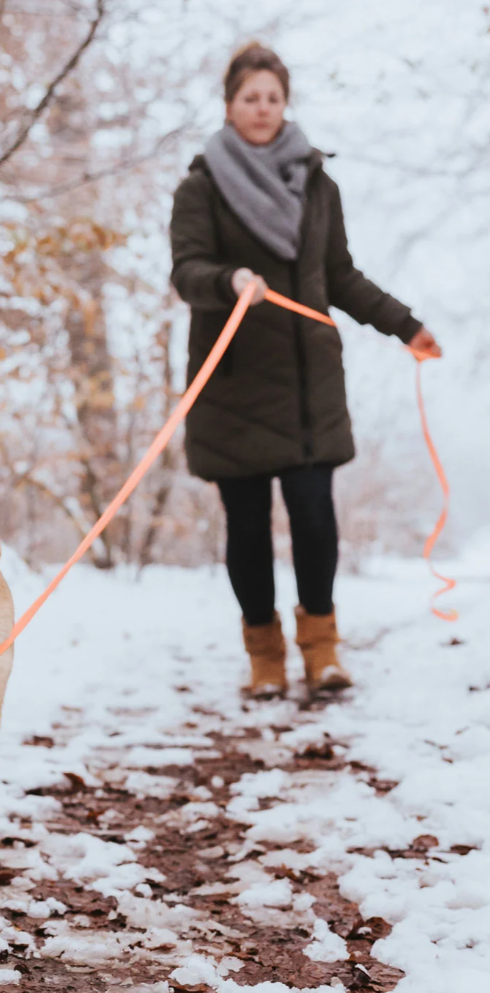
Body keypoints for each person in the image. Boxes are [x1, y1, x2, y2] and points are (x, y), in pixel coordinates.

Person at [169, 42, 441, 698]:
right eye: (249, 97)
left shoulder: (319, 184)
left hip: (307, 382)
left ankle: (322, 650)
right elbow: (187, 271)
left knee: (316, 516)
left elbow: (339, 275)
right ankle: (265, 657)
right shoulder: (200, 186)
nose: (262, 108)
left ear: (284, 103)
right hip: (233, 380)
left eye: (272, 97)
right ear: (229, 105)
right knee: (248, 525)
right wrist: (228, 277)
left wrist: (405, 323)